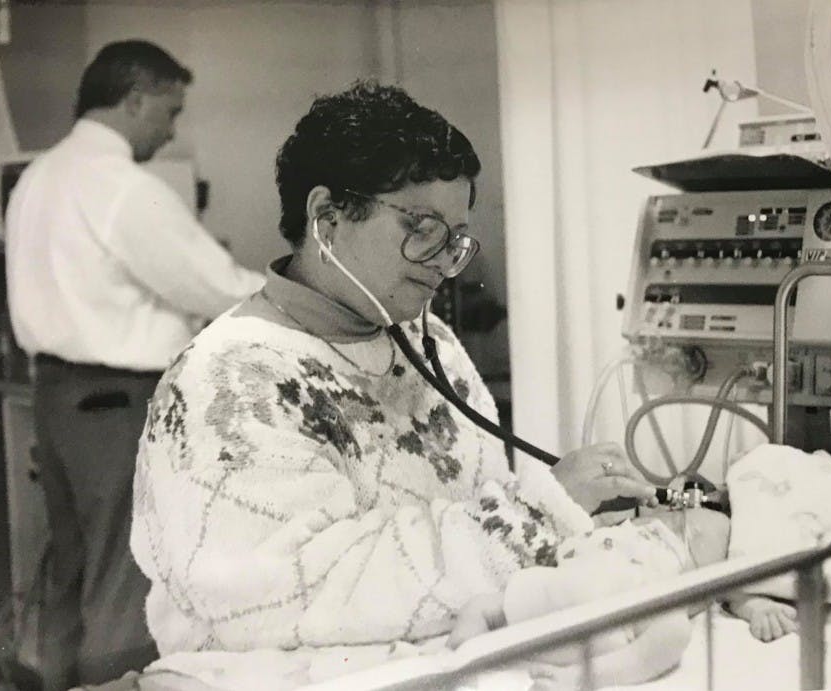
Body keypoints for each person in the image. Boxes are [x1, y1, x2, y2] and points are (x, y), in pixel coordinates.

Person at [130, 80, 658, 663]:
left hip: (449, 659)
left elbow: (484, 501)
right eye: (422, 229)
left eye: (455, 239)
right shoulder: (226, 382)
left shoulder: (431, 346)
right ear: (327, 218)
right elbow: (289, 600)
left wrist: (566, 513)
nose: (444, 264)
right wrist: (541, 514)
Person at [5, 40, 264, 689]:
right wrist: (307, 297)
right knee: (128, 579)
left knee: (72, 570)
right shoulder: (120, 188)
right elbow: (211, 283)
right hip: (118, 404)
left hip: (56, 398)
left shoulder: (35, 179)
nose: (171, 128)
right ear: (136, 99)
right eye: (169, 112)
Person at [446, 508, 795, 688]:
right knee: (482, 605)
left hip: (632, 599)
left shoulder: (727, 542)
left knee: (674, 631)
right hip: (566, 582)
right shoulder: (626, 523)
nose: (679, 519)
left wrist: (758, 606)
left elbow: (731, 585)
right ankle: (460, 663)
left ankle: (584, 678)